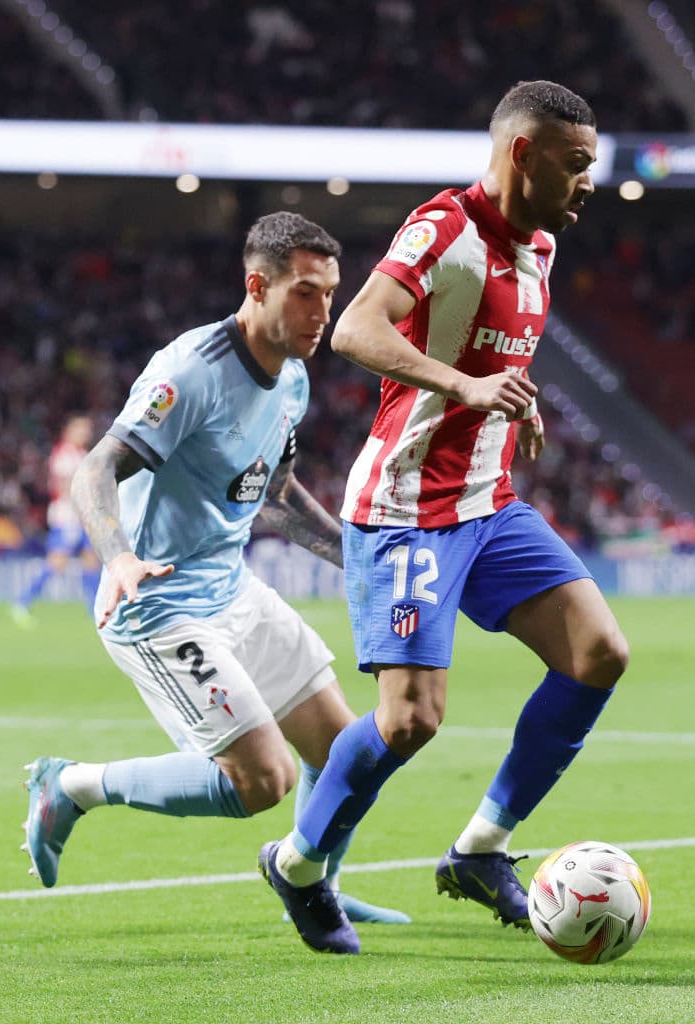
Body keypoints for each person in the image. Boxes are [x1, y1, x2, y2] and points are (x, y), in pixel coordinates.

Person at [259, 80, 629, 954]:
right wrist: (465, 386)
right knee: (409, 721)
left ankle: (479, 851)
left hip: (487, 501)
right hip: (405, 508)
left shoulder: (540, 247)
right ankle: (298, 865)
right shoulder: (442, 228)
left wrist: (512, 402)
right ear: (522, 154)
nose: (588, 182)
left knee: (598, 653)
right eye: (575, 164)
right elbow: (355, 330)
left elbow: (495, 350)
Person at [21, 211, 408, 932]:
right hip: (158, 602)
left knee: (348, 752)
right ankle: (70, 786)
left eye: (330, 294)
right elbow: (94, 469)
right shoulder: (190, 372)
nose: (323, 312)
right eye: (305, 293)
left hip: (231, 589)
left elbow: (276, 497)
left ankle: (312, 882)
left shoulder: (292, 379)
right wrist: (119, 556)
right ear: (257, 287)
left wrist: (362, 557)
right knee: (262, 780)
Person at [10, 414, 101, 627]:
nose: (86, 433)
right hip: (68, 516)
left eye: (87, 429)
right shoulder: (63, 454)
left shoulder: (82, 454)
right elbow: (63, 487)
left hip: (83, 516)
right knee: (57, 561)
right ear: (69, 431)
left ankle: (95, 609)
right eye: (81, 429)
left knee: (91, 560)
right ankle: (23, 601)